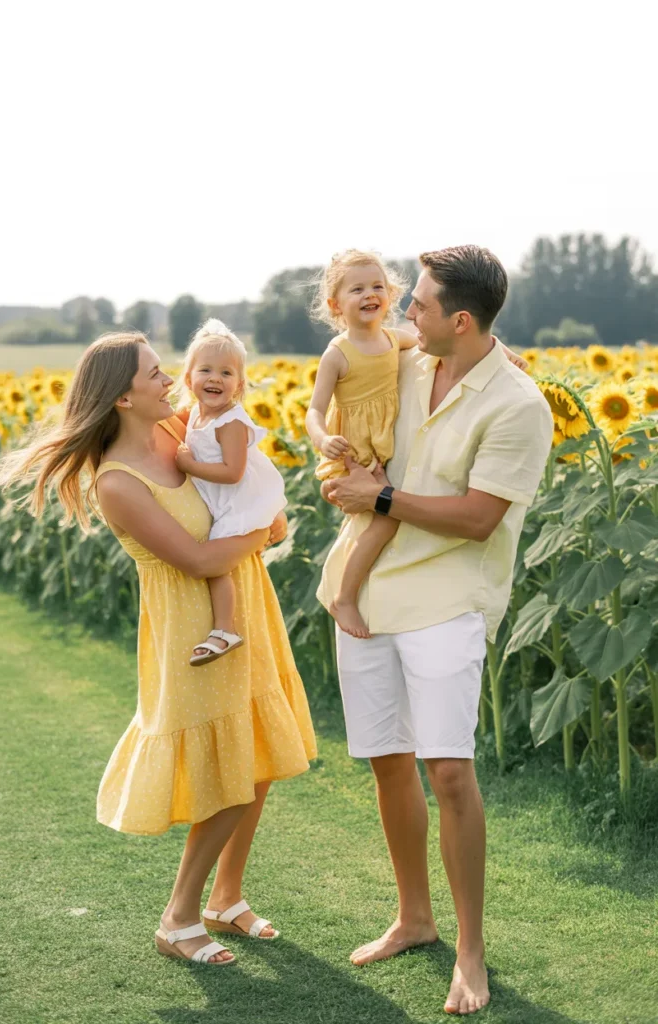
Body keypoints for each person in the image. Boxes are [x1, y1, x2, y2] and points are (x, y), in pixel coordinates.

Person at [0, 332, 317, 966]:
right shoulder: (117, 483)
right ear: (121, 397)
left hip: (243, 605)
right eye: (152, 375)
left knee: (255, 759)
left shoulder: (177, 429)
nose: (169, 380)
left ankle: (225, 898)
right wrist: (260, 530)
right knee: (227, 775)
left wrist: (263, 510)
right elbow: (198, 558)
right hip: (193, 629)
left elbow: (234, 481)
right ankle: (177, 917)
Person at [317, 246, 553, 1015]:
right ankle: (413, 919)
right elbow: (350, 377)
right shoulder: (409, 361)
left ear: (459, 318)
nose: (400, 309)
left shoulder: (517, 405)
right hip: (366, 590)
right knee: (388, 762)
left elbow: (480, 520)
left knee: (448, 772)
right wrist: (342, 469)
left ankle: (471, 953)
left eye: (415, 303)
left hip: (449, 599)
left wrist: (377, 497)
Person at [306, 249, 528, 641]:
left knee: (380, 512)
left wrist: (503, 354)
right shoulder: (337, 354)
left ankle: (352, 589)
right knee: (384, 517)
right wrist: (325, 441)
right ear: (335, 305)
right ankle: (344, 595)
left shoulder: (397, 342)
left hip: (380, 448)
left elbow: (476, 337)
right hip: (354, 448)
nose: (369, 294)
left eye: (377, 286)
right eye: (356, 289)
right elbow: (314, 411)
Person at [171, 319, 287, 666]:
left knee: (216, 565)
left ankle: (225, 629)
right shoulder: (195, 415)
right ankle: (229, 626)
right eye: (205, 370)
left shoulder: (230, 422)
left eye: (226, 373)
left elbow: (233, 473)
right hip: (222, 501)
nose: (215, 379)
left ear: (239, 385)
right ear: (189, 378)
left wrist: (189, 466)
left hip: (238, 501)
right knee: (226, 565)